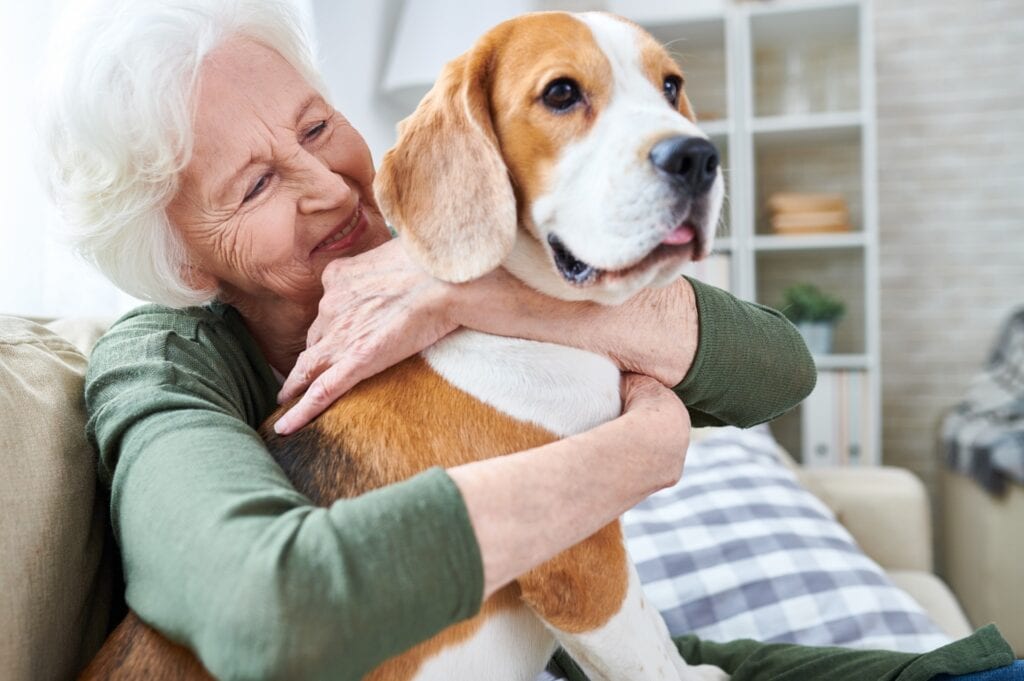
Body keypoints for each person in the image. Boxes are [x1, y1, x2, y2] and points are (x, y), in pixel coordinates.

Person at [41, 1, 1016, 680]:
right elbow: (269, 613)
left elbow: (777, 370)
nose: (332, 187)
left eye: (317, 125)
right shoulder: (160, 362)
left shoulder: (466, 254)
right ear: (182, 257)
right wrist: (632, 455)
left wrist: (469, 296)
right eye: (254, 185)